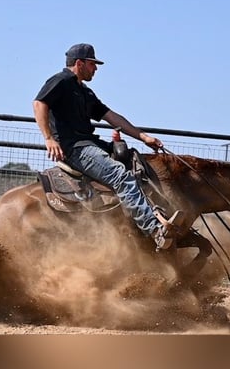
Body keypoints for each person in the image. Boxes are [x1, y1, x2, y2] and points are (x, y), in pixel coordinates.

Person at [33, 43, 186, 251]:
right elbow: (39, 104)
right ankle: (153, 229)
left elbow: (111, 116)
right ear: (79, 63)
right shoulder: (60, 81)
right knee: (120, 175)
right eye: (92, 64)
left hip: (89, 143)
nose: (95, 68)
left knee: (134, 161)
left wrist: (143, 137)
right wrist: (49, 138)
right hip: (75, 149)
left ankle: (144, 218)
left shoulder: (84, 91)